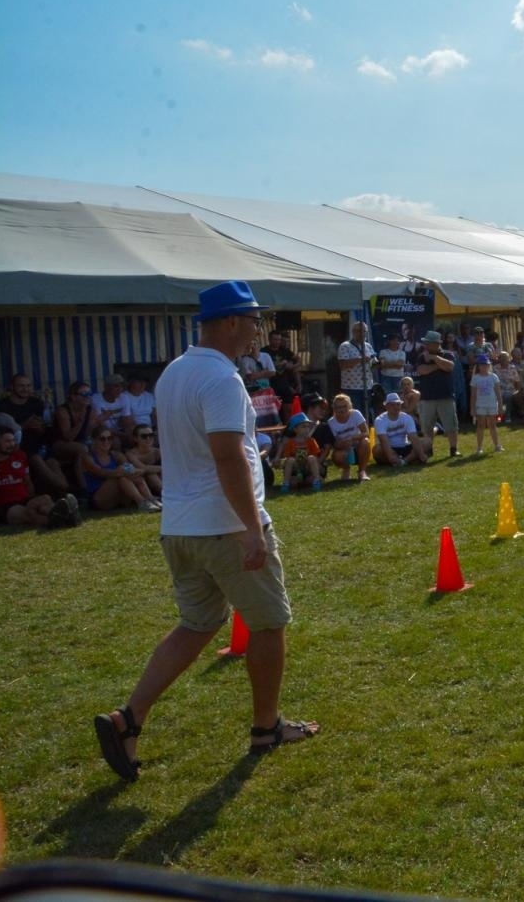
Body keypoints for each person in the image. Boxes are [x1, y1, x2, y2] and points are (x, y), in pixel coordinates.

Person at [94, 280, 318, 782]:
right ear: (232, 322)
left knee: (196, 624)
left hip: (180, 525)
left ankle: (128, 719)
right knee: (268, 623)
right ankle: (266, 727)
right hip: (224, 526)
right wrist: (251, 527)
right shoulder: (221, 378)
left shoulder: (175, 371)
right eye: (254, 320)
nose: (259, 329)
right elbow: (226, 454)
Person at [0, 425, 78, 527]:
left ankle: (62, 515)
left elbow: (28, 482)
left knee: (45, 499)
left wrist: (32, 498)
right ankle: (61, 520)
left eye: (13, 441)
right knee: (25, 513)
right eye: (7, 441)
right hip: (6, 506)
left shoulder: (20, 456)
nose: (12, 444)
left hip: (24, 500)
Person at [81, 423, 160, 512]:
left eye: (109, 438)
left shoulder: (116, 455)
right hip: (99, 499)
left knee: (132, 476)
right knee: (121, 477)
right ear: (94, 440)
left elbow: (130, 469)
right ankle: (142, 502)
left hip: (117, 496)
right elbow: (102, 473)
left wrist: (137, 471)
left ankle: (151, 499)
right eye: (102, 439)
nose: (106, 441)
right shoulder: (88, 457)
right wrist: (121, 471)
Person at [413, 330, 460, 458]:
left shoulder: (448, 354)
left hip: (446, 395)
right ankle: (428, 450)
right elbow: (422, 370)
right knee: (426, 427)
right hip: (427, 397)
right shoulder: (422, 357)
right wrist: (438, 366)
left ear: (436, 344)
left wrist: (434, 358)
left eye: (428, 343)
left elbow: (449, 367)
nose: (426, 345)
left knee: (451, 425)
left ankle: (453, 449)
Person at [325, 393, 372, 481]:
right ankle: (346, 469)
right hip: (343, 448)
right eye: (338, 407)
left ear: (350, 406)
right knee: (337, 456)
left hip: (358, 445)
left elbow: (366, 432)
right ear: (334, 409)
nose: (342, 409)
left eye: (344, 406)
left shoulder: (356, 414)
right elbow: (334, 444)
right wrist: (343, 444)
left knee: (365, 441)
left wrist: (353, 438)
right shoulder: (331, 422)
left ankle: (362, 471)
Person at [373, 393, 427, 467]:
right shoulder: (380, 420)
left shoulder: (407, 417)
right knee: (377, 450)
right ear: (387, 407)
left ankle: (404, 461)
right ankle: (405, 460)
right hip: (389, 447)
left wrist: (421, 454)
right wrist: (391, 456)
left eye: (398, 404)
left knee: (427, 442)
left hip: (405, 446)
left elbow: (413, 437)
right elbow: (383, 441)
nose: (396, 407)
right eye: (392, 405)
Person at [273, 412, 323, 491]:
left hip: (307, 467)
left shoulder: (311, 441)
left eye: (308, 427)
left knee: (312, 458)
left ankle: (317, 481)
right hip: (296, 469)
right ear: (295, 429)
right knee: (290, 461)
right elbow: (287, 457)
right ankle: (286, 482)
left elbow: (315, 456)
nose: (307, 429)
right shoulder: (290, 442)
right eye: (303, 427)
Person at [336, 322, 377, 419]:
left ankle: (365, 432)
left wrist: (378, 364)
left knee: (365, 415)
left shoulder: (368, 346)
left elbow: (373, 365)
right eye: (359, 331)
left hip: (367, 387)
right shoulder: (345, 346)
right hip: (352, 387)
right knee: (353, 415)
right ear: (353, 332)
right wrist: (360, 359)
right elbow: (343, 365)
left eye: (364, 331)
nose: (362, 334)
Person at [469, 356, 503, 455]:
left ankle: (497, 445)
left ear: (489, 365)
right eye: (482, 365)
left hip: (492, 405)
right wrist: (472, 408)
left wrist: (500, 406)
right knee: (480, 425)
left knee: (493, 425)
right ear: (478, 366)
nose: (484, 367)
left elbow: (498, 393)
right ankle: (479, 447)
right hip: (480, 405)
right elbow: (473, 395)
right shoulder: (475, 378)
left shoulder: (494, 377)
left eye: (486, 365)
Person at [261, 330, 302, 407]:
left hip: (285, 385)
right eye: (275, 340)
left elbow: (299, 360)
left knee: (289, 408)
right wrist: (279, 364)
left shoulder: (284, 350)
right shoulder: (264, 352)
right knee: (274, 410)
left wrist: (292, 366)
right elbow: (261, 367)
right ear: (269, 339)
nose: (277, 342)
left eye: (279, 340)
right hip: (271, 385)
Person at [91, 373, 135, 443]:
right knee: (116, 442)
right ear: (106, 387)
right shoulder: (96, 399)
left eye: (121, 386)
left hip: (119, 431)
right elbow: (100, 424)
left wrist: (129, 434)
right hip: (101, 432)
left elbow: (126, 419)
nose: (120, 389)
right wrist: (122, 435)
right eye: (116, 386)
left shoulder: (124, 397)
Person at [126, 423, 163, 497]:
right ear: (135, 439)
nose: (148, 438)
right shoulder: (131, 454)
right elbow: (143, 468)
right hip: (143, 485)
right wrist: (163, 468)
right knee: (150, 473)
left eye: (151, 435)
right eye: (144, 436)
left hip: (160, 481)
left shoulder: (157, 452)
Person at [377, 332, 408, 398]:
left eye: (397, 341)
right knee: (386, 397)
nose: (396, 342)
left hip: (398, 378)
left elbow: (400, 365)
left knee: (399, 397)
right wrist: (395, 364)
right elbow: (381, 365)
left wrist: (387, 363)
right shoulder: (383, 352)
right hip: (386, 377)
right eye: (393, 340)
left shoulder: (402, 353)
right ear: (389, 341)